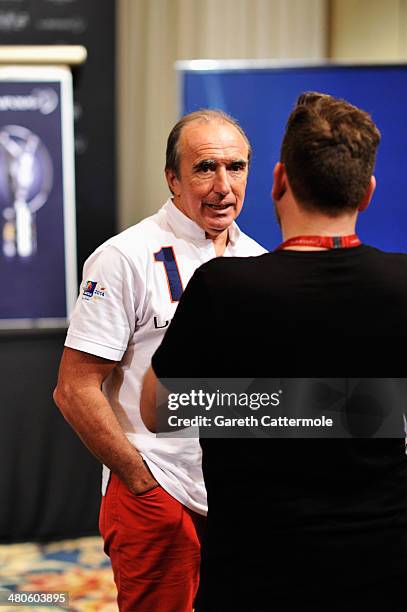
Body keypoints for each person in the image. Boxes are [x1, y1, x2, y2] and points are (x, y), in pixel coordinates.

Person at [141, 93, 407, 611]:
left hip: (257, 572)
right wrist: (350, 408)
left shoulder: (222, 287)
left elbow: (157, 410)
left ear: (279, 180)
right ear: (369, 192)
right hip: (386, 568)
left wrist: (275, 407)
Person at [53, 109, 266, 612]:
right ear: (172, 178)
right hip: (155, 495)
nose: (223, 186)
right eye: (205, 168)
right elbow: (74, 388)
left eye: (235, 168)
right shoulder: (122, 258)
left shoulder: (259, 262)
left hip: (240, 500)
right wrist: (142, 482)